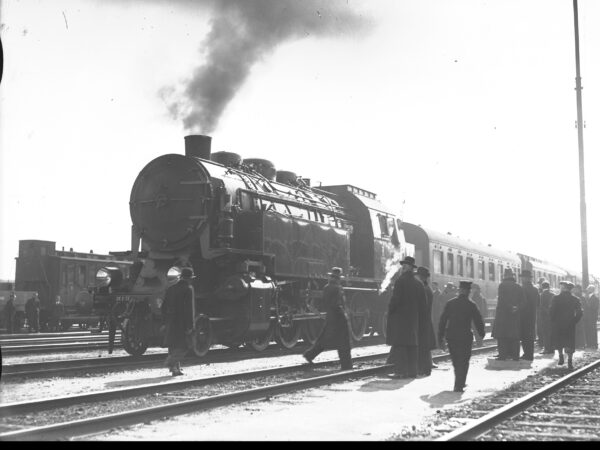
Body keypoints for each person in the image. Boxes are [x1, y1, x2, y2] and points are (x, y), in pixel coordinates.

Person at [438, 280, 485, 392]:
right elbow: (478, 320)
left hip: (452, 336)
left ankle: (458, 383)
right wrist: (481, 334)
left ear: (459, 291)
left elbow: (443, 320)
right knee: (464, 360)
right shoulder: (471, 304)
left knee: (455, 360)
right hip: (465, 336)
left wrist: (441, 336)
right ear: (468, 291)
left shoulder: (450, 303)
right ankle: (460, 384)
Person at [303, 267, 353, 370]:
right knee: (344, 342)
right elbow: (338, 304)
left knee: (325, 339)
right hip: (339, 318)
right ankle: (346, 365)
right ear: (338, 278)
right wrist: (344, 313)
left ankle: (309, 355)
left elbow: (325, 302)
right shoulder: (338, 288)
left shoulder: (326, 287)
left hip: (330, 317)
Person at [385, 256, 427, 379]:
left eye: (404, 266)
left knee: (400, 345)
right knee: (412, 345)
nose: (403, 267)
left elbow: (395, 299)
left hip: (400, 319)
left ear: (408, 268)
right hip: (413, 320)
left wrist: (390, 310)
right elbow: (423, 304)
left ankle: (400, 372)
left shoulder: (400, 281)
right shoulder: (418, 283)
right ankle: (412, 372)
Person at [162, 267, 196, 376]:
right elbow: (189, 309)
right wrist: (190, 326)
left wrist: (165, 321)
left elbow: (163, 307)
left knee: (173, 345)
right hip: (182, 322)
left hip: (170, 321)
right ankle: (171, 363)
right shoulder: (188, 289)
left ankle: (176, 369)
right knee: (183, 346)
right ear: (190, 278)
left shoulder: (171, 289)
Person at [492, 268, 524, 361]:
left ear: (504, 276)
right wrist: (516, 307)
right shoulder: (518, 287)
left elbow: (502, 299)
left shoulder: (502, 285)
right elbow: (523, 301)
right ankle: (515, 356)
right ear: (512, 276)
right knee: (514, 336)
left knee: (502, 336)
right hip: (515, 315)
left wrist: (510, 307)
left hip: (503, 315)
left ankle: (503, 355)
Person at [550, 281, 583, 369]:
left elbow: (552, 311)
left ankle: (561, 357)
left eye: (561, 287)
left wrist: (553, 321)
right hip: (570, 324)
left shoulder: (556, 298)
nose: (560, 288)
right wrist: (574, 321)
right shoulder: (575, 299)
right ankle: (570, 361)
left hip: (558, 324)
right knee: (570, 342)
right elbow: (580, 312)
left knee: (559, 341)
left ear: (563, 288)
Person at [415, 266, 436, 376]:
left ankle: (424, 370)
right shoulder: (427, 288)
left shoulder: (425, 289)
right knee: (424, 347)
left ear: (421, 277)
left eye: (417, 276)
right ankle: (424, 369)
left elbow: (422, 307)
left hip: (423, 321)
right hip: (425, 321)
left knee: (423, 347)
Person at [519, 270, 539, 361]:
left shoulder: (522, 288)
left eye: (522, 277)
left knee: (524, 336)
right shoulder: (535, 289)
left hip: (523, 315)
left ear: (525, 278)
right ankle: (530, 354)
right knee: (530, 336)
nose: (521, 279)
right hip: (532, 315)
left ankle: (527, 354)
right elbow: (538, 303)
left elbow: (522, 302)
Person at [538, 281, 554, 354]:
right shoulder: (553, 294)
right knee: (551, 332)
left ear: (542, 287)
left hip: (544, 316)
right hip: (551, 316)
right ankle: (551, 348)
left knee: (545, 333)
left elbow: (541, 305)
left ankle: (546, 349)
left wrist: (546, 311)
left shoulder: (542, 295)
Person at [583, 285, 599, 349]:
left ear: (592, 290)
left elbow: (594, 308)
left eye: (589, 289)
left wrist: (586, 302)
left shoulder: (595, 298)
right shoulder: (586, 297)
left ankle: (594, 344)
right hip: (586, 317)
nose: (587, 290)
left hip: (592, 317)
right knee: (587, 330)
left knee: (592, 330)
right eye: (588, 289)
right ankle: (589, 343)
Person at [572, 284, 586, 349]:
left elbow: (584, 307)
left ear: (579, 289)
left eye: (576, 289)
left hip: (580, 315)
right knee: (576, 330)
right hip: (575, 315)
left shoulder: (581, 297)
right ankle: (577, 343)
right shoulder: (574, 296)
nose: (574, 290)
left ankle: (581, 343)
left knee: (580, 330)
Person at [431, 281, 443, 347]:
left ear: (436, 286)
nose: (432, 286)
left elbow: (438, 304)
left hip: (437, 313)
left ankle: (438, 343)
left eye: (433, 285)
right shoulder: (434, 292)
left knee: (436, 328)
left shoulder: (438, 293)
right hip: (434, 312)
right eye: (432, 285)